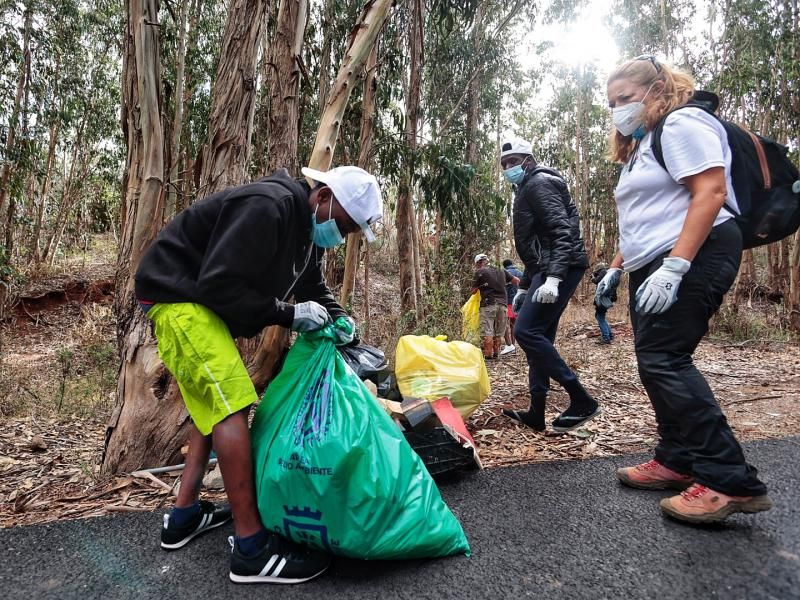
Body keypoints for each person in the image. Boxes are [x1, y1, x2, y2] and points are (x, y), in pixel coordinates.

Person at [135, 165, 383, 582]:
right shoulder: (269, 207)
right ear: (322, 198)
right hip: (176, 296)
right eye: (342, 224)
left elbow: (311, 287)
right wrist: (287, 314)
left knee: (211, 408)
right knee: (234, 404)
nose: (341, 236)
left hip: (193, 302)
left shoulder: (305, 235)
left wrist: (341, 319)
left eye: (350, 231)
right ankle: (251, 550)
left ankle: (183, 517)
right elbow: (218, 285)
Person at [599, 55, 772, 524]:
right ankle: (677, 459)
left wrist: (676, 265)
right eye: (612, 102)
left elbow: (711, 192)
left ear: (658, 90)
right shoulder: (644, 144)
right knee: (654, 362)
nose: (618, 109)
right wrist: (616, 269)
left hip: (696, 252)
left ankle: (728, 479)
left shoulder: (682, 123)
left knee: (666, 359)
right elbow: (643, 218)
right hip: (653, 261)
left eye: (626, 99)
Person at [498, 138, 600, 432]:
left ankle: (581, 399)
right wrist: (526, 287)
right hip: (549, 266)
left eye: (513, 161)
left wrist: (554, 278)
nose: (508, 168)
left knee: (526, 332)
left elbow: (560, 233)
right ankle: (537, 412)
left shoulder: (538, 183)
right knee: (539, 339)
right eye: (504, 164)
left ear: (528, 160)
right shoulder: (527, 186)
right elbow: (536, 246)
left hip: (562, 265)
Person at [471, 253, 518, 360]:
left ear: (478, 263)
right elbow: (516, 281)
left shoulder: (479, 272)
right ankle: (496, 353)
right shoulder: (501, 270)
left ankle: (488, 355)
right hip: (503, 305)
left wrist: (479, 287)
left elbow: (473, 291)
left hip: (488, 304)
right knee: (498, 331)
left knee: (487, 331)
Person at [501, 258, 524, 354]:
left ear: (504, 266)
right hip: (519, 300)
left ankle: (511, 345)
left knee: (509, 324)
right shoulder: (520, 273)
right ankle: (516, 345)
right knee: (515, 323)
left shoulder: (504, 273)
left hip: (508, 301)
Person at [590, 262, 615, 343]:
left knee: (600, 317)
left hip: (603, 299)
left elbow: (597, 281)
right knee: (600, 316)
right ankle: (609, 335)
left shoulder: (603, 272)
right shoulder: (608, 274)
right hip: (606, 298)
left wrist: (593, 278)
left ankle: (606, 337)